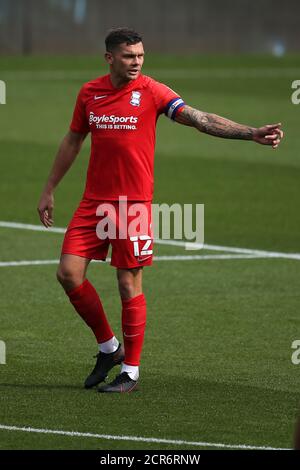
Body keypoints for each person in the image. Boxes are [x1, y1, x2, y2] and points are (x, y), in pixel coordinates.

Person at [37, 27, 284, 393]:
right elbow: (74, 139)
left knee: (127, 283)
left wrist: (250, 133)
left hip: (132, 205)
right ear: (109, 58)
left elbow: (200, 119)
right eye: (128, 56)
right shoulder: (90, 93)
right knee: (68, 274)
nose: (136, 62)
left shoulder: (152, 92)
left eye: (140, 55)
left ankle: (130, 373)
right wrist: (50, 188)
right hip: (93, 203)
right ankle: (109, 349)